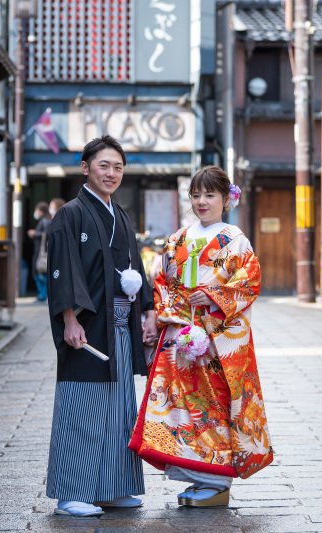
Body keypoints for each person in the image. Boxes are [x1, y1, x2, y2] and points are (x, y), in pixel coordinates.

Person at [129, 165, 273, 508]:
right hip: (181, 334)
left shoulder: (236, 240)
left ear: (226, 198)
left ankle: (218, 478)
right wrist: (167, 312)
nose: (202, 202)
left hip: (215, 341)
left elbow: (249, 283)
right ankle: (196, 475)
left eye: (210, 195)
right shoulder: (178, 238)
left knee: (215, 404)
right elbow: (162, 282)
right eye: (196, 195)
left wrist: (212, 297)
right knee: (180, 405)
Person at [45, 134, 157, 517]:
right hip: (88, 327)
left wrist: (149, 312)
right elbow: (62, 271)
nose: (111, 173)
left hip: (120, 327)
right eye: (104, 165)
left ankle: (113, 487)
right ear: (85, 167)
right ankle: (70, 491)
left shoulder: (121, 216)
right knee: (82, 406)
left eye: (118, 167)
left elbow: (135, 270)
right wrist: (69, 319)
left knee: (118, 408)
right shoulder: (70, 214)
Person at [27, 202, 52, 302]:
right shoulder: (45, 220)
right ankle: (42, 295)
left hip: (42, 251)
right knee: (39, 272)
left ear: (41, 211)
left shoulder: (45, 221)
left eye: (37, 210)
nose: (35, 212)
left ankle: (43, 295)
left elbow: (47, 234)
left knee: (40, 273)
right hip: (40, 250)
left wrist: (35, 233)